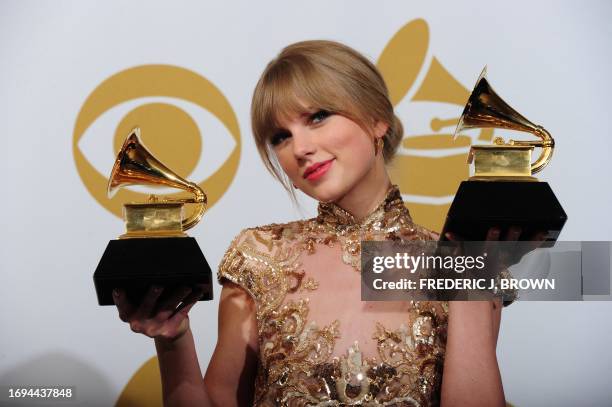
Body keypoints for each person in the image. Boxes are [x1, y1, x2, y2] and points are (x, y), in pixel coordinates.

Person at [113, 40, 509, 406]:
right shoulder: (260, 257)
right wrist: (173, 341)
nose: (300, 149)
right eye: (280, 136)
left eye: (318, 117)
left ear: (377, 120)